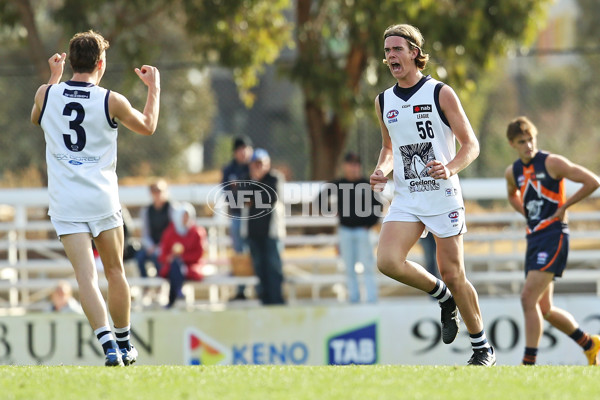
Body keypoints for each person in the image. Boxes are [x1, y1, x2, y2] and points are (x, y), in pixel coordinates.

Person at [30, 30, 160, 366]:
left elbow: (36, 118)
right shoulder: (110, 99)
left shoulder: (46, 94)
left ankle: (108, 347)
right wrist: (154, 87)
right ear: (100, 63)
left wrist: (53, 77)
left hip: (66, 202)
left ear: (71, 61)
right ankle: (125, 342)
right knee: (115, 272)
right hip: (102, 199)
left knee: (85, 277)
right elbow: (148, 126)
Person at [369, 24, 495, 365]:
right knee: (387, 261)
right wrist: (383, 168)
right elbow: (388, 147)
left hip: (442, 195)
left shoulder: (440, 93)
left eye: (397, 49)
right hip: (408, 197)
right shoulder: (383, 101)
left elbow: (471, 145)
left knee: (454, 273)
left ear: (414, 52)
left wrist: (451, 167)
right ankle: (442, 297)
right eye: (387, 51)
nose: (391, 55)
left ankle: (482, 348)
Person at [504, 116, 600, 365]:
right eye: (522, 141)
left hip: (554, 235)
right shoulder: (513, 172)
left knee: (527, 299)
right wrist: (526, 213)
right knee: (544, 308)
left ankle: (528, 363)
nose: (528, 145)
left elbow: (593, 181)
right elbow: (512, 195)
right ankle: (589, 344)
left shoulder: (552, 163)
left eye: (531, 139)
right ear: (512, 144)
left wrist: (565, 205)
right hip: (535, 238)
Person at [319, 151, 382, 303]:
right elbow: (321, 198)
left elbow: (377, 207)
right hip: (345, 230)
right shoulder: (338, 184)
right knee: (349, 267)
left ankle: (371, 299)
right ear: (344, 166)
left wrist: (369, 224)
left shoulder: (367, 185)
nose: (353, 168)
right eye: (350, 164)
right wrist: (331, 211)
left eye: (356, 164)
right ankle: (353, 298)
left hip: (363, 231)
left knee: (367, 266)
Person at [242, 148, 286, 305]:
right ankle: (265, 301)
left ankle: (277, 300)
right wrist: (255, 184)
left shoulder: (275, 178)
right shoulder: (247, 179)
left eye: (261, 163)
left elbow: (272, 197)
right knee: (259, 268)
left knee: (274, 268)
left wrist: (254, 193)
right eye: (255, 164)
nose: (258, 167)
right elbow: (241, 200)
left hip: (271, 233)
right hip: (253, 233)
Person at [221, 136, 253, 300]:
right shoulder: (229, 170)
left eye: (246, 148)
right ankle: (242, 290)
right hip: (237, 214)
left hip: (255, 217)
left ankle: (259, 287)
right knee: (239, 252)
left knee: (255, 250)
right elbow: (226, 192)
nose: (243, 152)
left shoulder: (254, 166)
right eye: (240, 149)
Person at [158, 202, 207, 308]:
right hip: (173, 266)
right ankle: (178, 291)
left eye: (187, 216)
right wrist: (171, 258)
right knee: (175, 265)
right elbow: (163, 255)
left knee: (176, 266)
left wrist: (182, 258)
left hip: (192, 266)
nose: (185, 219)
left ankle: (172, 298)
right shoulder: (169, 233)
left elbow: (199, 254)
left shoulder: (197, 232)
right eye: (183, 216)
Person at [135, 179, 174, 278]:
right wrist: (150, 246)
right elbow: (145, 233)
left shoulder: (172, 209)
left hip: (167, 246)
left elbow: (173, 231)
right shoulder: (146, 211)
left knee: (158, 257)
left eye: (159, 190)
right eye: (154, 190)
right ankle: (146, 286)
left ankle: (160, 285)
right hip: (151, 246)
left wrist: (161, 247)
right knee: (139, 257)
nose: (157, 194)